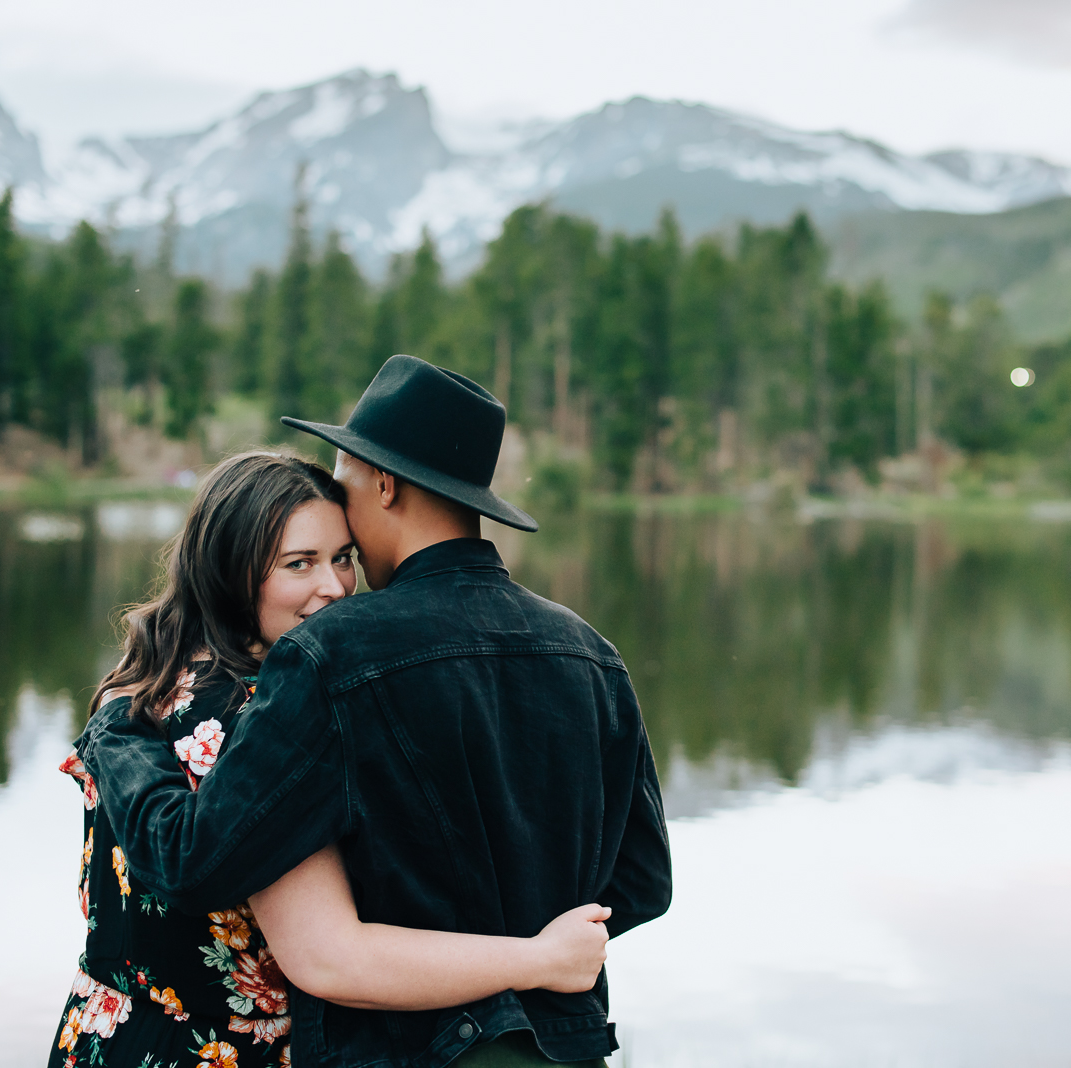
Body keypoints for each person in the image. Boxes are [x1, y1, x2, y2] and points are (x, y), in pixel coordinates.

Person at [77, 355, 672, 1068]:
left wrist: (114, 728)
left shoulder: (333, 653)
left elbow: (204, 861)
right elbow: (641, 883)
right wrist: (537, 943)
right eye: (300, 562)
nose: (332, 578)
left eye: (346, 476)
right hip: (561, 1048)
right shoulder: (593, 654)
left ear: (383, 484)